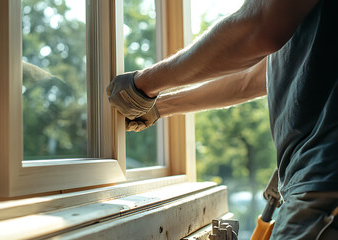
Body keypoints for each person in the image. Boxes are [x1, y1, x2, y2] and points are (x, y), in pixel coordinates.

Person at [106, 0, 338, 239]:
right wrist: (159, 106)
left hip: (324, 191)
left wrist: (143, 84)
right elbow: (253, 78)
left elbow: (259, 27)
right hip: (317, 189)